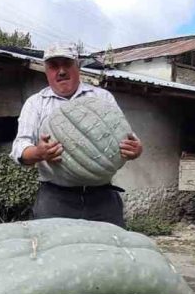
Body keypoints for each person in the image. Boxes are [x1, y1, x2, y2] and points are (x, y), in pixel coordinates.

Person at [11, 43, 143, 227]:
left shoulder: (102, 98)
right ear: (46, 70)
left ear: (78, 66)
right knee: (55, 254)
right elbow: (19, 148)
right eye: (54, 66)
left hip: (103, 198)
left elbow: (130, 140)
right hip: (55, 199)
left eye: (67, 64)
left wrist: (136, 149)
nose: (61, 71)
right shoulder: (35, 104)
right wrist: (39, 153)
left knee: (107, 252)